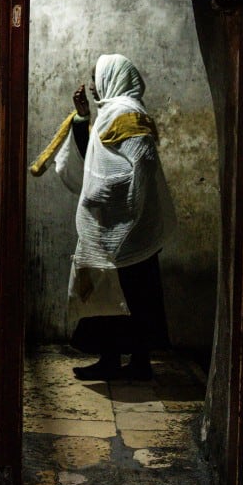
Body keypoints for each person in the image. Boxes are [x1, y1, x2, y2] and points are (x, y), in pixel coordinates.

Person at [53, 54, 176, 381]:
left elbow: (142, 163)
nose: (93, 87)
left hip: (127, 226)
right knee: (109, 296)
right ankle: (111, 360)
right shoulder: (113, 113)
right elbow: (100, 155)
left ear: (113, 78)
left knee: (133, 297)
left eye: (97, 79)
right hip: (114, 223)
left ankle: (138, 364)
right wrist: (82, 117)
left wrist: (127, 209)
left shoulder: (128, 114)